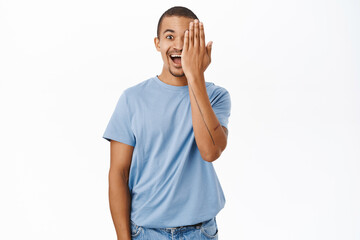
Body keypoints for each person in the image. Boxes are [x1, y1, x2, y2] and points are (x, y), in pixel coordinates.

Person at [103, 6, 231, 240]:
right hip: (145, 232)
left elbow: (210, 151)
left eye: (188, 39)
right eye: (170, 37)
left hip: (200, 232)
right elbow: (118, 174)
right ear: (157, 43)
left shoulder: (216, 96)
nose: (179, 46)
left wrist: (195, 76)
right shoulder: (132, 99)